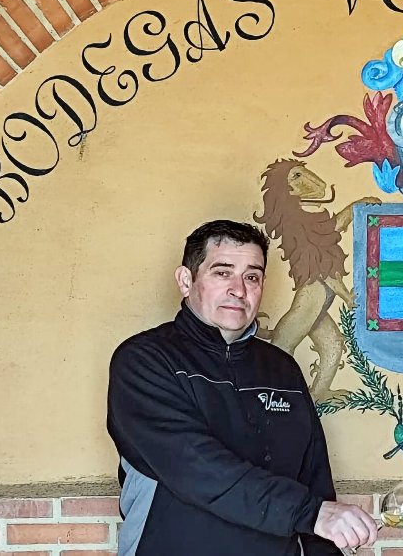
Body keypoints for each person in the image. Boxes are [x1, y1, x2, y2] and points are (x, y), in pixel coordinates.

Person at [107, 220, 377, 556]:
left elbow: (314, 479)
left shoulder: (282, 369)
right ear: (186, 280)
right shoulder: (144, 360)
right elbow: (198, 467)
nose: (239, 289)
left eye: (252, 276)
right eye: (222, 273)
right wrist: (310, 513)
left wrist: (321, 530)